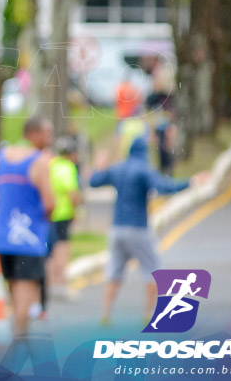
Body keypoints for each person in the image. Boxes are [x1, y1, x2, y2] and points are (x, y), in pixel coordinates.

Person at [90, 119, 207, 326]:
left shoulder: (118, 168)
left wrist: (99, 165)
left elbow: (94, 181)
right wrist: (190, 182)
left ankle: (104, 315)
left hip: (117, 229)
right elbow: (163, 186)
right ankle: (148, 315)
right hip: (138, 228)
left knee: (114, 273)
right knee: (153, 272)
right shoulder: (144, 169)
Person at [0, 116, 54, 338]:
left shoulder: (0, 157)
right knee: (25, 291)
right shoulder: (39, 161)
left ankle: (18, 332)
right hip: (29, 239)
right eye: (47, 133)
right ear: (33, 135)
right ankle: (19, 341)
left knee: (14, 288)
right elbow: (50, 203)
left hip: (3, 236)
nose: (50, 139)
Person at [45, 136, 82, 303]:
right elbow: (72, 193)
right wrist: (75, 211)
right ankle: (60, 285)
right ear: (71, 154)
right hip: (63, 214)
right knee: (62, 250)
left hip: (49, 214)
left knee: (50, 251)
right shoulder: (68, 167)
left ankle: (50, 284)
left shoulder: (51, 165)